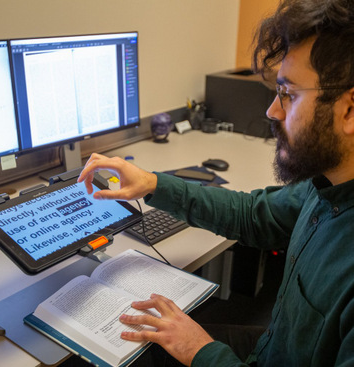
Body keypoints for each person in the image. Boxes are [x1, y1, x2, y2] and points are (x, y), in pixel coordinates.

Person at [77, 0, 354, 365]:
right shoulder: (328, 185)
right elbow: (253, 215)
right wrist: (152, 183)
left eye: (288, 93)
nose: (272, 110)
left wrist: (201, 351)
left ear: (349, 110)